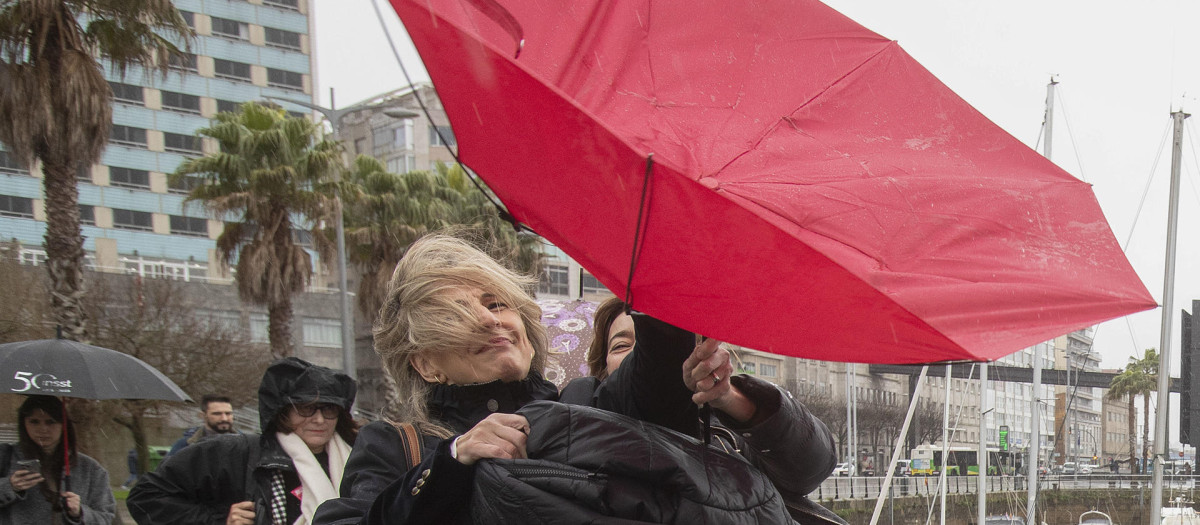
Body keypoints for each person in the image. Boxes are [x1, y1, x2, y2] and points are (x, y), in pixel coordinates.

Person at [313, 234, 840, 524]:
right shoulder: (396, 445)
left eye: (497, 303)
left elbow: (652, 381)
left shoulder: (584, 401)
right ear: (424, 363)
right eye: (461, 313)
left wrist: (663, 269)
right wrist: (453, 463)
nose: (492, 319)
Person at [128, 358, 358, 525]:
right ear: (283, 412)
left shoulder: (356, 460)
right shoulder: (236, 453)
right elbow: (146, 497)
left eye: (329, 409)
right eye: (306, 409)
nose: (319, 419)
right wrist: (219, 520)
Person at [0, 395, 116, 524]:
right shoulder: (5, 457)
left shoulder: (90, 469)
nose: (43, 429)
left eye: (51, 422)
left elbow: (105, 517)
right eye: (34, 421)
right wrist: (9, 487)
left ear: (64, 425)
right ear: (24, 423)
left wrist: (79, 513)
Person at [166, 394, 237, 457]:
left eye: (228, 414)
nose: (224, 418)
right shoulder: (186, 445)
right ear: (202, 415)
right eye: (217, 414)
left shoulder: (244, 443)